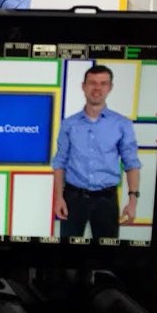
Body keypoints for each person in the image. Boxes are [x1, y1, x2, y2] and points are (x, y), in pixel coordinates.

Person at [51, 65, 141, 240]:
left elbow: (131, 164)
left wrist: (132, 202)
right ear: (83, 86)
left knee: (107, 251)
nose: (97, 88)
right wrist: (59, 198)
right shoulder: (69, 124)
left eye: (103, 83)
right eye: (92, 83)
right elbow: (60, 162)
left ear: (110, 87)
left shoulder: (122, 124)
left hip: (106, 199)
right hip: (73, 198)